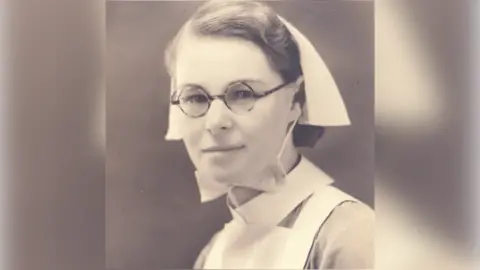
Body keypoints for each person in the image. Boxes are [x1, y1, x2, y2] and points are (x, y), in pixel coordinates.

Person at [163, 0, 374, 269]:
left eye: (242, 94)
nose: (215, 122)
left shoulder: (349, 238)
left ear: (295, 101)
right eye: (195, 97)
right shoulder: (213, 254)